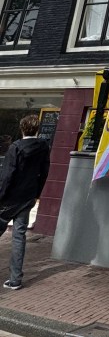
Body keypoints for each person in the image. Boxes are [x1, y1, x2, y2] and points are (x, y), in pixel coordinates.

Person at [0, 114, 50, 291]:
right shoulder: (43, 147)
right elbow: (44, 172)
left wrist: (1, 196)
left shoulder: (15, 147)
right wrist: (37, 194)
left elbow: (7, 175)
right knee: (19, 237)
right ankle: (15, 279)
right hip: (27, 197)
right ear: (37, 129)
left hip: (9, 199)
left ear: (22, 128)